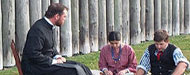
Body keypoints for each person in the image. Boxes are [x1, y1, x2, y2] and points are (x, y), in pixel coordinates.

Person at [21, 3, 92, 75]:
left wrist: (58, 56)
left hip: (45, 63)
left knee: (82, 67)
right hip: (35, 68)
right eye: (64, 17)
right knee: (74, 70)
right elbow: (33, 54)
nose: (65, 19)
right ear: (57, 16)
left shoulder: (48, 27)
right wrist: (54, 61)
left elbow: (50, 47)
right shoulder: (38, 30)